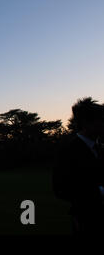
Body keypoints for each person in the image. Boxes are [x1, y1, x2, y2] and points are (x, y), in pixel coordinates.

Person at [53, 97, 104, 234]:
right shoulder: (67, 151)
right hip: (87, 220)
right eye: (101, 120)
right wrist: (100, 192)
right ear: (86, 123)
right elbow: (60, 189)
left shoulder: (100, 148)